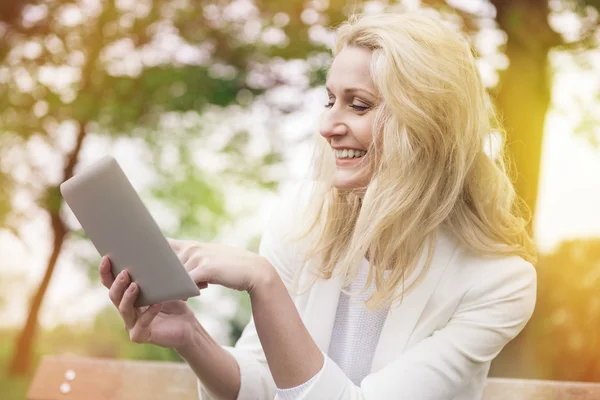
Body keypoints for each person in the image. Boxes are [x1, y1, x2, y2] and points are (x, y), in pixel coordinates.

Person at [98, 10, 537, 400]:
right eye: (330, 100)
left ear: (427, 125)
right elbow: (266, 384)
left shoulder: (498, 283)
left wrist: (263, 283)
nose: (327, 125)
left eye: (358, 105)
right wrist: (190, 336)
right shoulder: (303, 216)